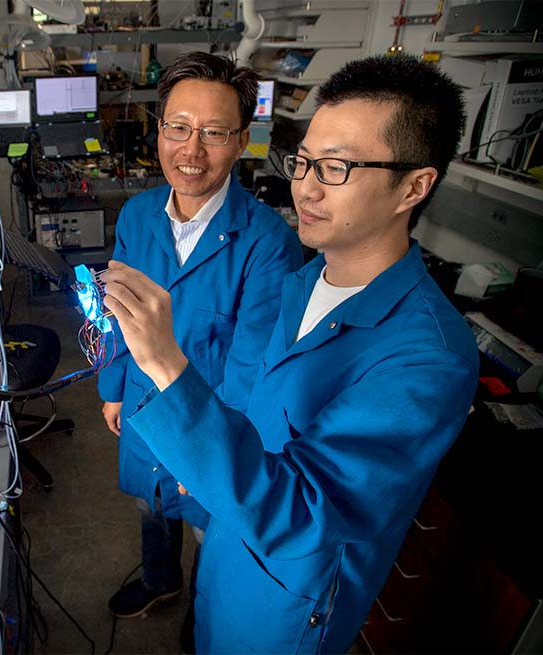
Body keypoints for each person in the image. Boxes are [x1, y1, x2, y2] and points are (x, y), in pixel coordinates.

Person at [101, 54, 479, 653]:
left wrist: (167, 365)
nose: (305, 185)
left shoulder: (428, 358)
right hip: (228, 537)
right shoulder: (306, 284)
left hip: (281, 598)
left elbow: (302, 515)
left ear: (414, 185)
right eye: (304, 162)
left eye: (335, 167)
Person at [98, 51, 302, 632]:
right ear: (159, 130)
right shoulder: (137, 215)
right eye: (178, 128)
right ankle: (160, 580)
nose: (192, 151)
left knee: (214, 536)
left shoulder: (268, 244)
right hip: (141, 405)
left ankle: (202, 620)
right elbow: (118, 310)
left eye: (213, 133)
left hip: (213, 421)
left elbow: (250, 368)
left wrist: (209, 453)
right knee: (151, 505)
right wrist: (113, 386)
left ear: (241, 141)